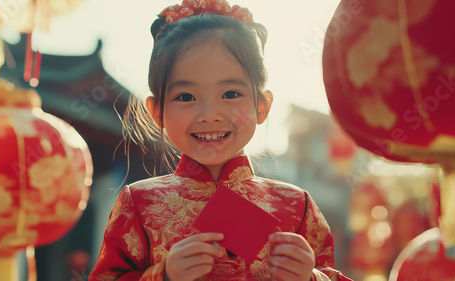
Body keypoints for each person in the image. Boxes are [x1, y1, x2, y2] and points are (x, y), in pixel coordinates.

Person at [89, 1, 353, 280]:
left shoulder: (296, 205)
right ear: (158, 111)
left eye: (230, 94)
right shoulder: (139, 203)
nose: (210, 115)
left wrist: (310, 277)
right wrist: (163, 275)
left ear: (262, 105)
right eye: (186, 97)